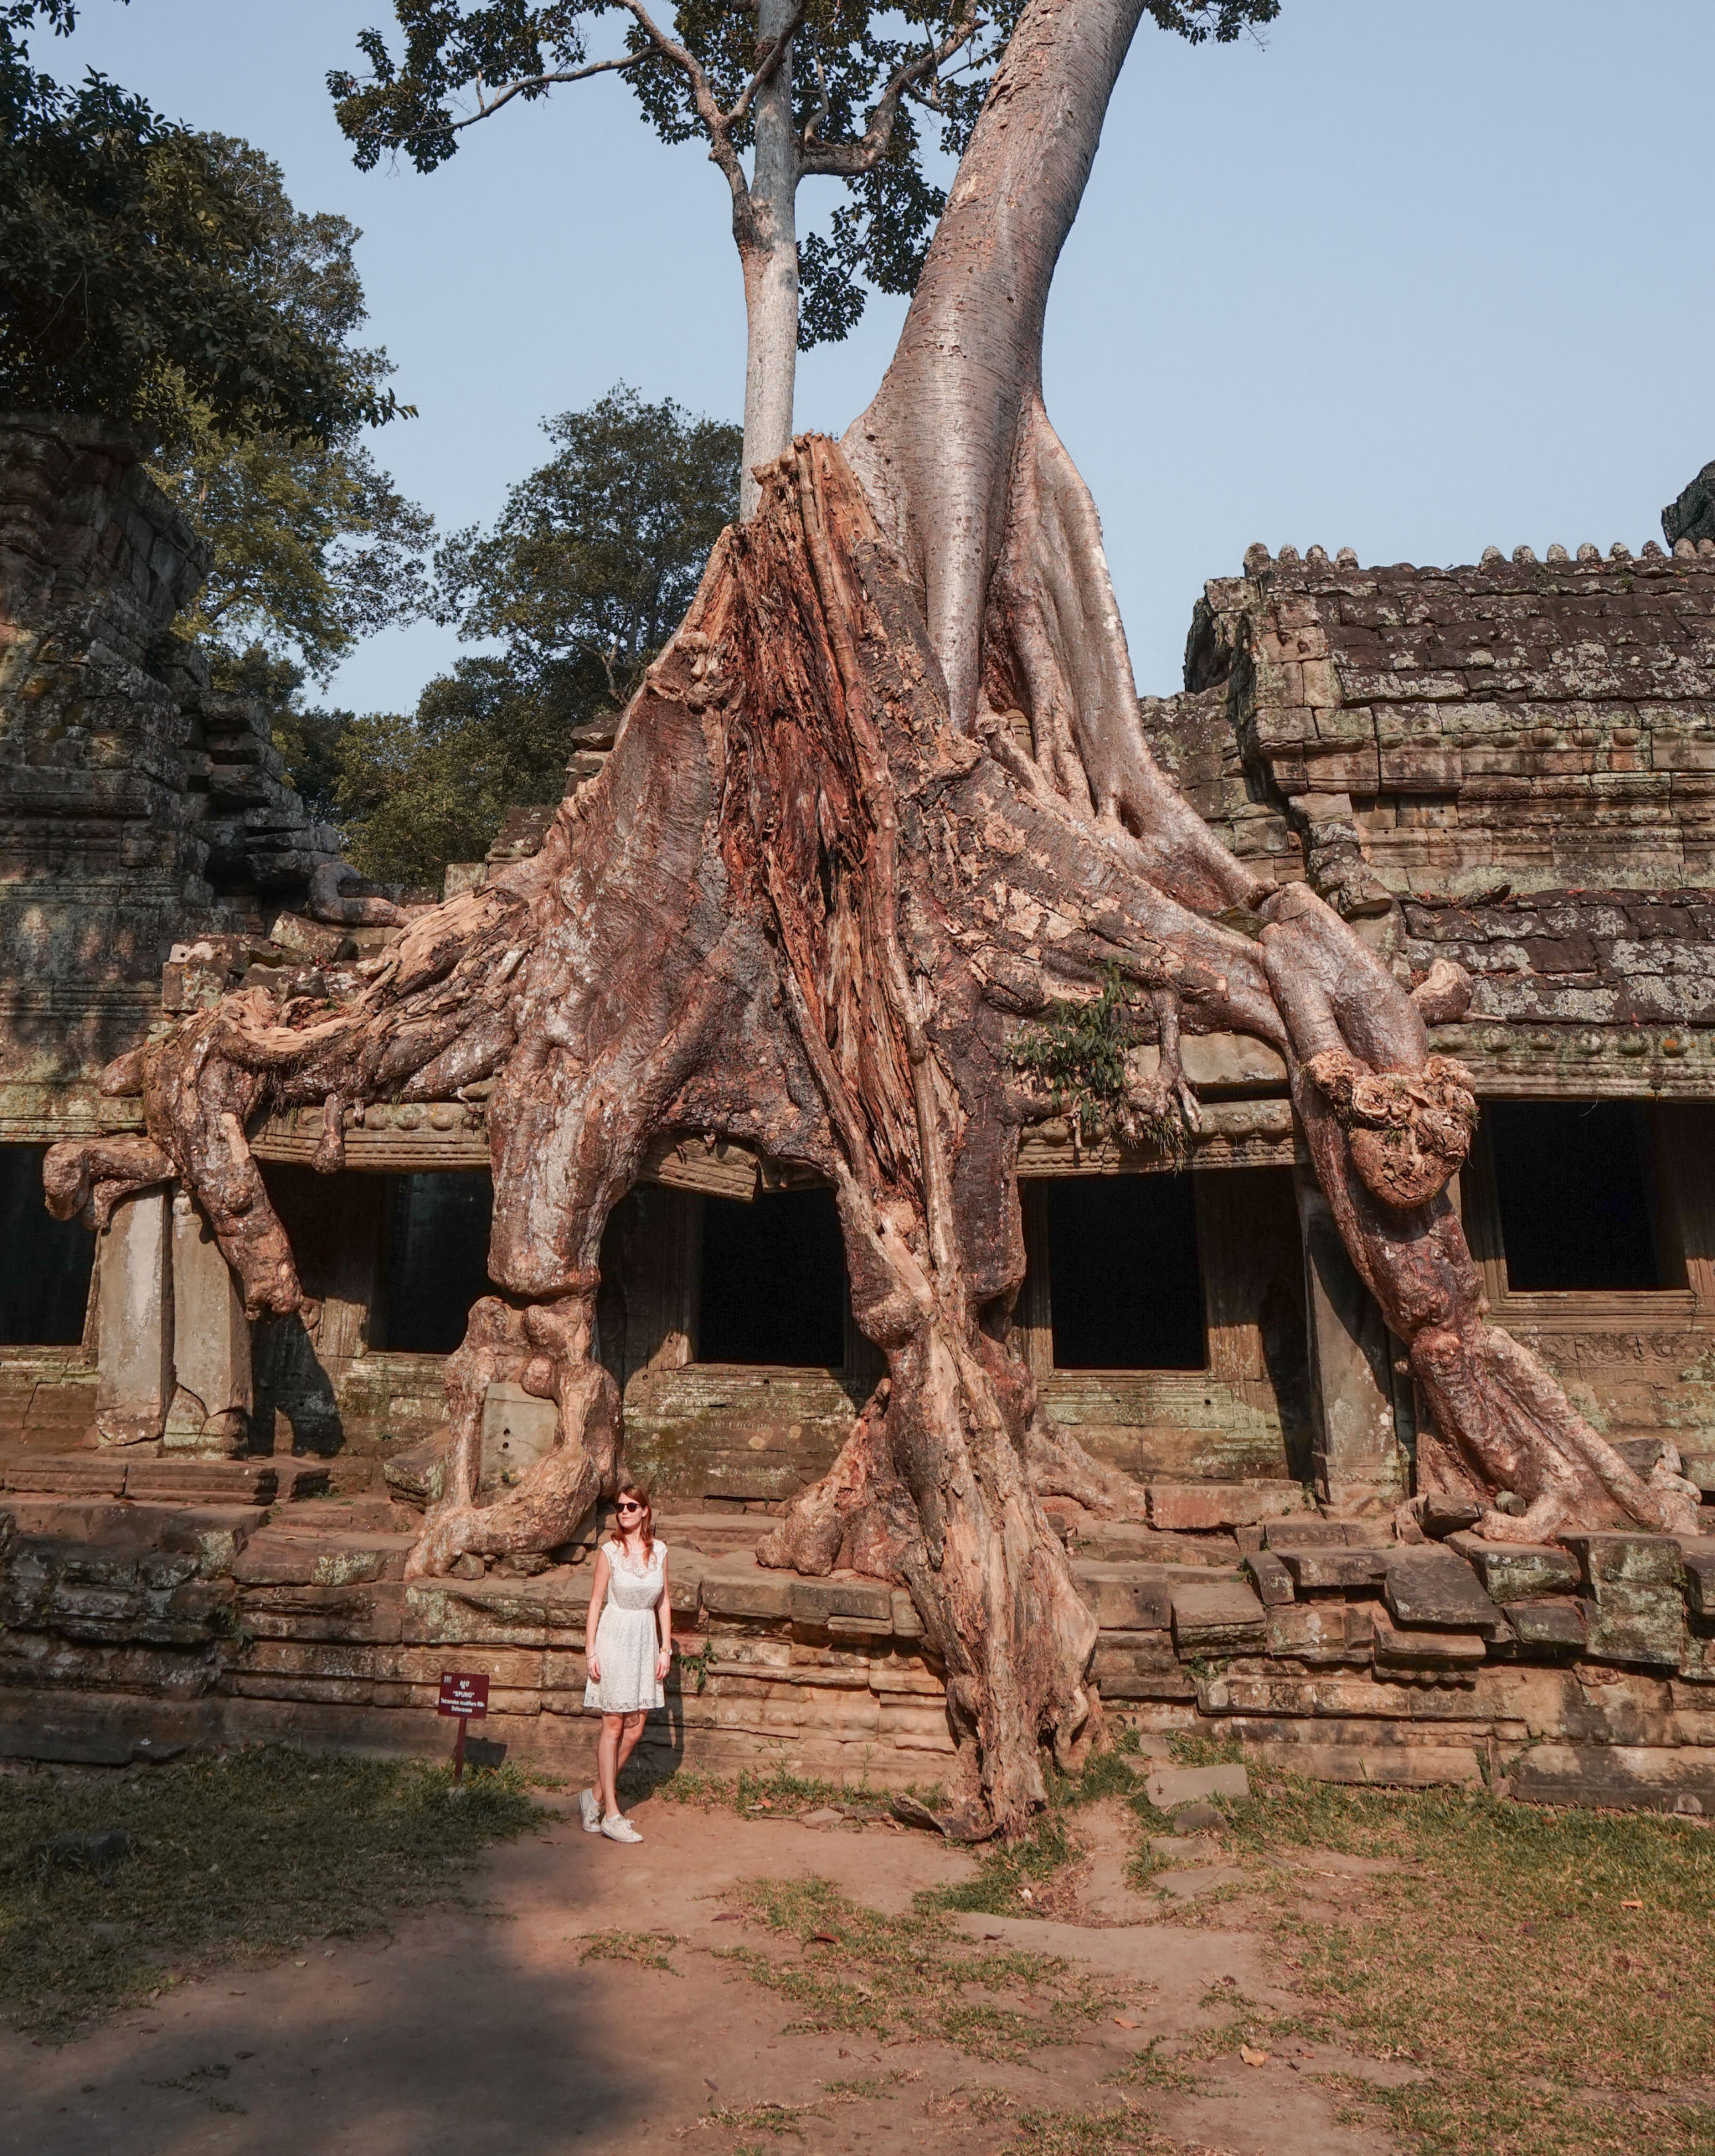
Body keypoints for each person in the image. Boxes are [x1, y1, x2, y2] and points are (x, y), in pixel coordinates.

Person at [579, 1483, 671, 1843]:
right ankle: (612, 1815)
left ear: (645, 1510)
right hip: (614, 1636)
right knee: (613, 1726)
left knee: (635, 1728)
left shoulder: (660, 1551)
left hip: (645, 1639)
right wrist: (590, 1650)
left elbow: (663, 1601)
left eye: (632, 1506)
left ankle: (596, 1795)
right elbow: (595, 1602)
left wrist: (665, 1650)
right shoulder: (609, 1552)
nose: (625, 1512)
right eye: (620, 1507)